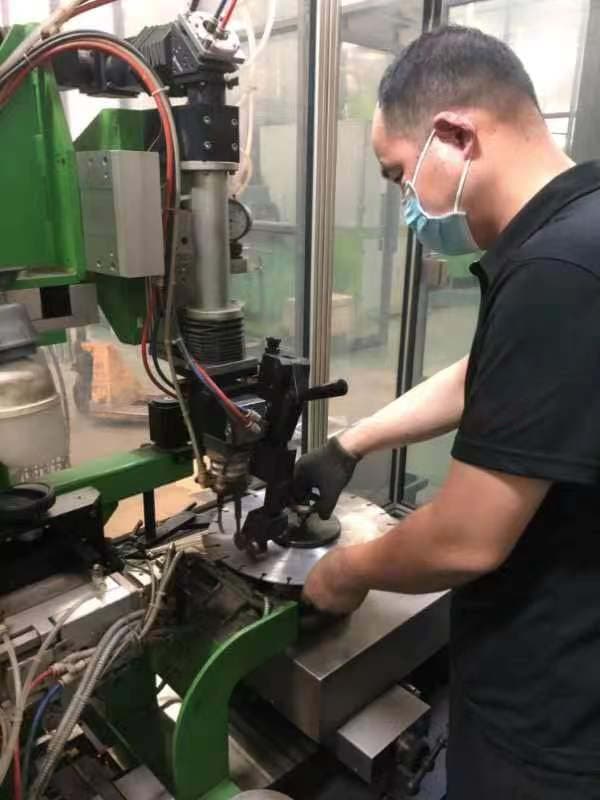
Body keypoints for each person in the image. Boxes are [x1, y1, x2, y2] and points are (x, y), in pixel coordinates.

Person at [294, 25, 600, 800]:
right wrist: (353, 441)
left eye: (398, 174)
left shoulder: (557, 271)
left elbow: (466, 541)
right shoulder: (581, 227)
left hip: (550, 717)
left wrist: (348, 571)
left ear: (456, 135)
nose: (406, 200)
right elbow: (496, 378)